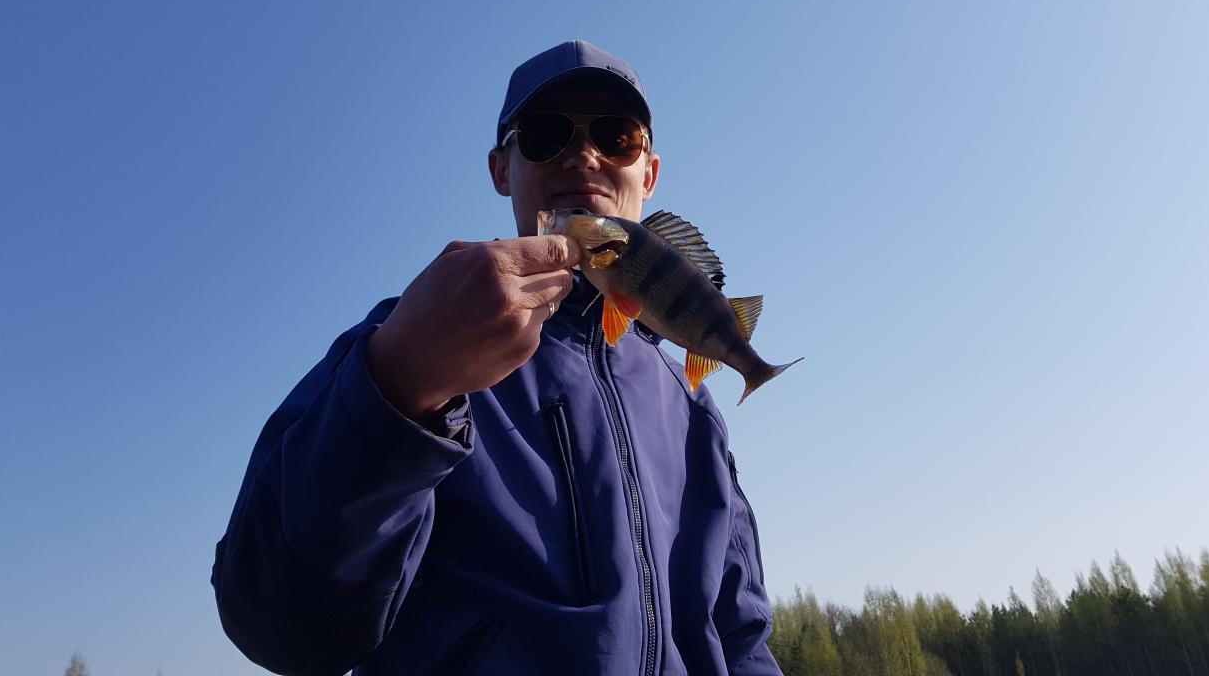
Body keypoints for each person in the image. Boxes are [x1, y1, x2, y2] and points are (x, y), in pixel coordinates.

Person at [212, 40, 782, 676]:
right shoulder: (407, 342)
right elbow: (278, 623)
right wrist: (401, 384)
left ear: (648, 174)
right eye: (544, 135)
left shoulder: (691, 406)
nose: (583, 155)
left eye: (616, 137)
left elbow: (741, 636)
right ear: (500, 170)